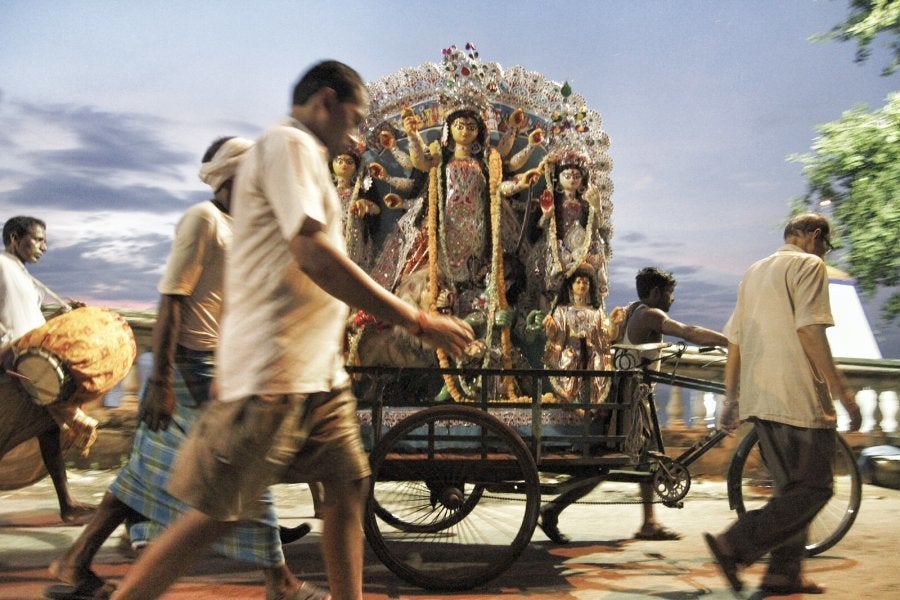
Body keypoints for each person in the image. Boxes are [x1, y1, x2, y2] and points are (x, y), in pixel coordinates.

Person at [106, 60, 474, 600]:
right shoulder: (289, 146)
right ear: (326, 101)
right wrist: (416, 319)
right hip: (274, 374)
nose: (355, 136)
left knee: (348, 489)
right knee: (217, 515)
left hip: (317, 374)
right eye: (354, 118)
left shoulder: (306, 160)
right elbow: (313, 255)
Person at [45, 137, 316, 600]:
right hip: (194, 370)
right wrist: (162, 380)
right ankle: (281, 583)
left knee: (141, 474)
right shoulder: (203, 219)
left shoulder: (242, 225)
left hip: (223, 365)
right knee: (246, 467)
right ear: (231, 176)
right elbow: (171, 299)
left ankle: (74, 562)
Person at [704, 213, 862, 595]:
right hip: (799, 396)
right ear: (812, 235)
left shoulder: (755, 272)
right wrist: (843, 393)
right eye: (825, 243)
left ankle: (783, 574)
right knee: (815, 488)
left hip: (762, 399)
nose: (824, 252)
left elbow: (735, 342)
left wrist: (732, 398)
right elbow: (810, 331)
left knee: (792, 490)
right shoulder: (808, 265)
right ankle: (734, 544)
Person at [538, 266, 727, 544]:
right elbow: (688, 331)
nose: (671, 301)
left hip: (626, 396)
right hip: (632, 400)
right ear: (655, 293)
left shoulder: (627, 312)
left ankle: (649, 522)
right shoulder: (650, 314)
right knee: (611, 463)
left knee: (643, 459)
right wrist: (729, 341)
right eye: (669, 295)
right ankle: (554, 507)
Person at [0, 215, 95, 523]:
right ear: (15, 237)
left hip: (27, 367)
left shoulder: (23, 275)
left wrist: (62, 319)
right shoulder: (1, 265)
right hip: (8, 369)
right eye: (38, 239)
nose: (44, 246)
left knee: (48, 429)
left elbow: (29, 323)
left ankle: (67, 503)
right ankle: (66, 502)